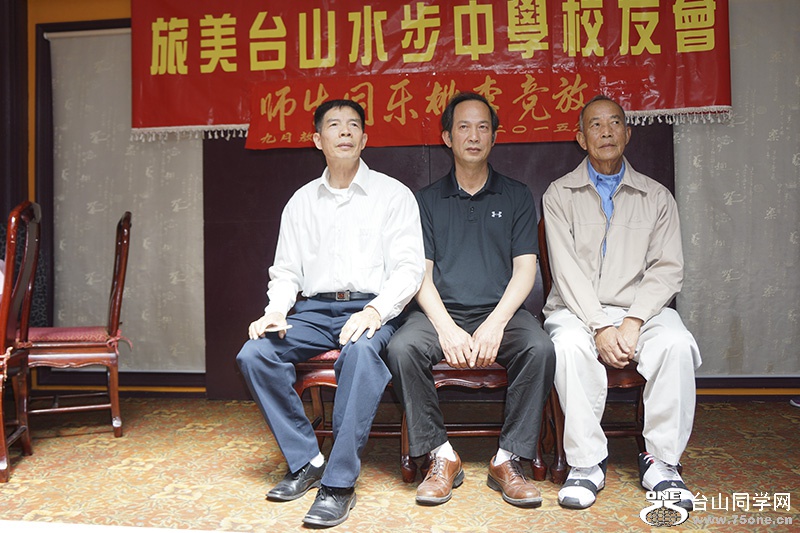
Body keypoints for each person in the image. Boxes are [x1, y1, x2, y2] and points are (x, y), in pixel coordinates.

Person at [235, 99, 425, 528]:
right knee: (255, 354)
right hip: (315, 310)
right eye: (334, 125)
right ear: (317, 139)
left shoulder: (393, 195)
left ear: (365, 138)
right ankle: (307, 460)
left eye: (353, 125)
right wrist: (275, 311)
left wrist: (376, 310)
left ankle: (339, 484)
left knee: (360, 354)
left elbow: (409, 269)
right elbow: (286, 271)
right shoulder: (301, 202)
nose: (345, 132)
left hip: (373, 306)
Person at [385, 92, 556, 508]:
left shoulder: (516, 195)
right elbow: (420, 275)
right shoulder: (425, 200)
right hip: (439, 312)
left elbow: (526, 269)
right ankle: (441, 455)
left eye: (483, 127)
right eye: (463, 127)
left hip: (500, 312)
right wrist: (446, 328)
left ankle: (508, 459)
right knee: (403, 348)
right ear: (447, 137)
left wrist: (495, 323)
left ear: (495, 137)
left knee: (540, 348)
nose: (474, 136)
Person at [541, 94, 702, 511]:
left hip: (642, 311)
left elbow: (667, 269)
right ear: (581, 138)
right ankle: (586, 463)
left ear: (628, 133)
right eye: (595, 125)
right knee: (566, 347)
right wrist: (599, 325)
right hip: (577, 311)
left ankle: (663, 463)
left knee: (676, 344)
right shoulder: (559, 194)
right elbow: (565, 270)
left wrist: (633, 320)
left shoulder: (657, 196)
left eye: (614, 123)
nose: (606, 132)